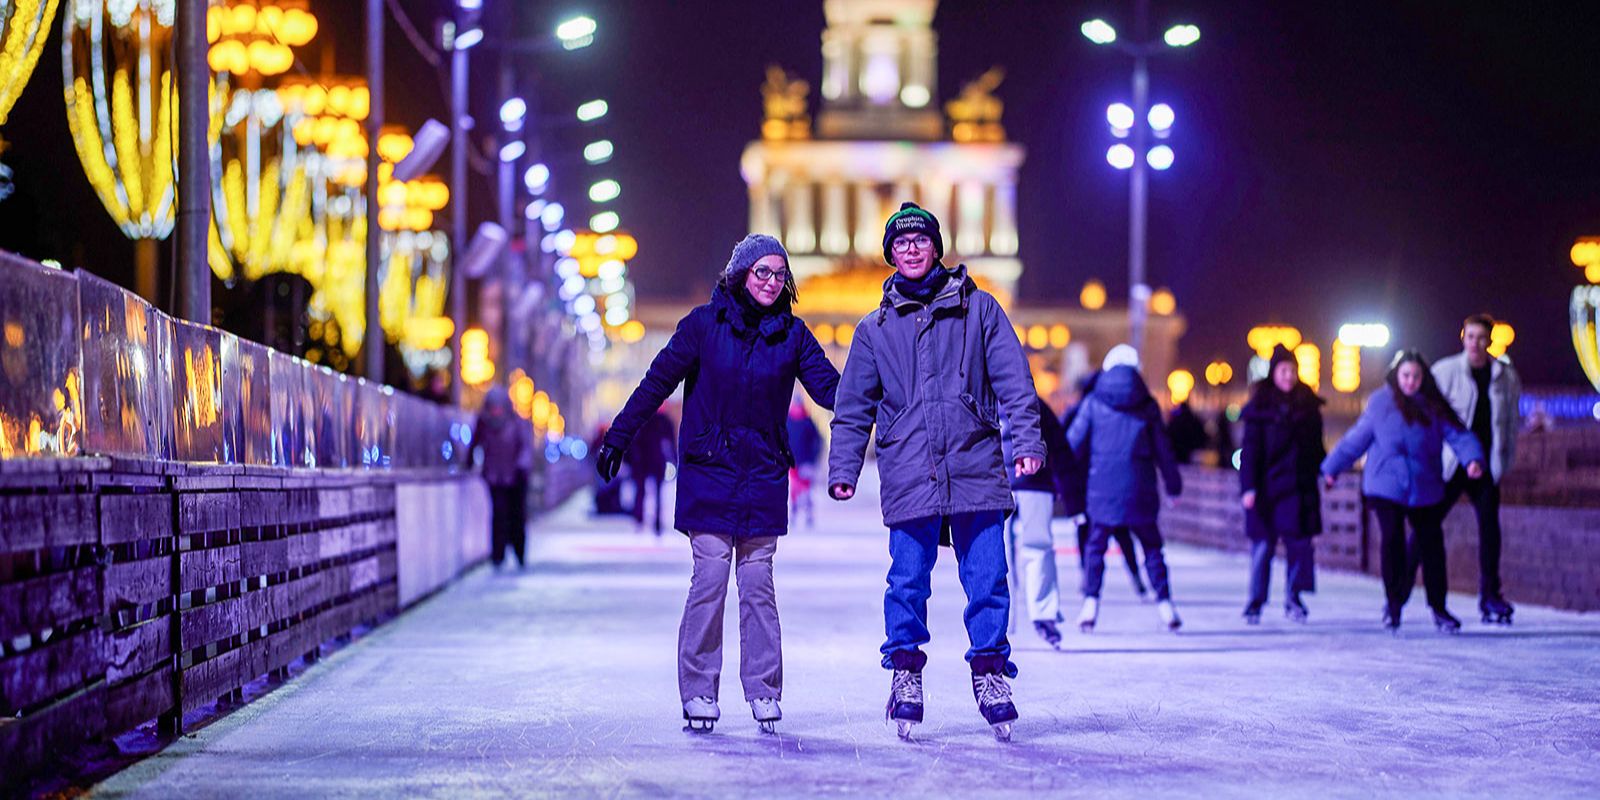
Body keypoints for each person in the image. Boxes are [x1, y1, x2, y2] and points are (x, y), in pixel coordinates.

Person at [595, 234, 839, 734]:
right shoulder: (703, 327)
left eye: (779, 274)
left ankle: (764, 690)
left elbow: (834, 390)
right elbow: (656, 382)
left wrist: (886, 397)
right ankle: (700, 688)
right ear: (740, 274)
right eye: (762, 272)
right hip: (710, 470)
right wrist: (618, 438)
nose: (771, 282)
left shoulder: (792, 336)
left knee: (756, 585)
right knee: (709, 580)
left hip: (764, 474)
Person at [828, 202, 1043, 742]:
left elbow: (1015, 381)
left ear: (936, 246)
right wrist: (844, 466)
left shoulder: (982, 310)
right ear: (890, 255)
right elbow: (853, 406)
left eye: (920, 240)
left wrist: (1028, 442)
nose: (911, 249)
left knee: (989, 578)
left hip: (974, 463)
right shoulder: (874, 329)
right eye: (900, 243)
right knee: (906, 579)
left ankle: (991, 674)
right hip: (909, 467)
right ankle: (905, 673)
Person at [1321, 350, 1486, 633]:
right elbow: (1355, 440)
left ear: (1423, 378)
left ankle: (1439, 607)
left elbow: (1458, 433)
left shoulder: (1433, 406)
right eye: (1406, 376)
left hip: (1425, 484)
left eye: (1416, 376)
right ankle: (1393, 603)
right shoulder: (1380, 403)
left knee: (1432, 545)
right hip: (1385, 484)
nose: (1411, 382)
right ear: (1397, 377)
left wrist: (1472, 459)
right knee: (1392, 539)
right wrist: (1332, 468)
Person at [1067, 344, 1185, 633]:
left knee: (1096, 547)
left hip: (1101, 490)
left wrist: (1067, 482)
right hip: (1140, 488)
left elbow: (1072, 445)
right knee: (1152, 547)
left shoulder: (1094, 402)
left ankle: (1090, 604)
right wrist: (1173, 485)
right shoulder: (1148, 406)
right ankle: (1165, 604)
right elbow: (1163, 451)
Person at [1425, 314, 1522, 624]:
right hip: (1451, 463)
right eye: (1471, 337)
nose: (1476, 344)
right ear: (1462, 338)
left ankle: (1490, 596)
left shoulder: (1505, 376)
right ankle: (1397, 593)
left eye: (1482, 338)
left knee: (1490, 530)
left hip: (1486, 465)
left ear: (1490, 341)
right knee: (1426, 524)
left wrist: (1503, 460)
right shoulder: (1445, 371)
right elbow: (1428, 417)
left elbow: (1509, 423)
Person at [1239, 345, 1326, 624]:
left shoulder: (1308, 406)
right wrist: (1248, 487)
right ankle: (1255, 601)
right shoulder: (1260, 407)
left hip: (1298, 488)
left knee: (1298, 545)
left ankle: (1293, 597)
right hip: (1266, 489)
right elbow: (1250, 450)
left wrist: (1328, 471)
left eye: (1292, 370)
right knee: (1262, 547)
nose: (1288, 376)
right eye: (1283, 370)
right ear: (1274, 373)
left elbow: (1317, 448)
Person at [1063, 373, 1148, 602]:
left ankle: (1088, 578)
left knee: (1088, 536)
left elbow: (1065, 447)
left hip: (1084, 482)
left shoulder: (1080, 411)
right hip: (1103, 481)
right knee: (1120, 532)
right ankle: (1136, 577)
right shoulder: (1112, 410)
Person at [1002, 393, 1072, 649]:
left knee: (998, 553)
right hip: (1036, 480)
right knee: (1038, 547)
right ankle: (1044, 613)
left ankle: (1003, 619)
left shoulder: (978, 396)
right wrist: (1072, 497)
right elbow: (1061, 448)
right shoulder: (1035, 401)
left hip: (996, 483)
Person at [471, 386, 533, 570]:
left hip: (515, 479)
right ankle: (498, 556)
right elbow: (475, 445)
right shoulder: (484, 424)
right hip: (494, 478)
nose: (496, 412)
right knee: (498, 516)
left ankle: (519, 553)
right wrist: (469, 464)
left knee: (517, 516)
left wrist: (521, 467)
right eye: (493, 408)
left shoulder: (517, 423)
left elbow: (525, 448)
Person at [628, 410, 677, 536]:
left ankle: (641, 520)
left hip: (645, 460)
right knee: (653, 492)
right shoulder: (662, 420)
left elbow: (634, 440)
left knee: (642, 491)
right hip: (653, 459)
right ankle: (653, 524)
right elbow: (669, 441)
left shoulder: (645, 417)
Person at [786, 398, 824, 528]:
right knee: (796, 490)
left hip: (805, 462)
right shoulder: (788, 421)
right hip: (793, 462)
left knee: (805, 490)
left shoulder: (807, 422)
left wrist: (813, 457)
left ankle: (807, 513)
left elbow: (817, 440)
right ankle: (796, 512)